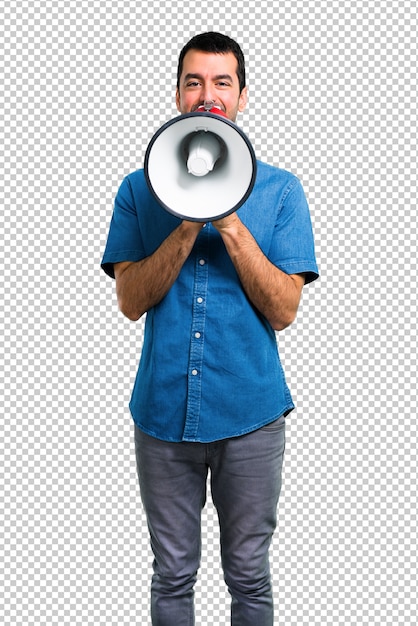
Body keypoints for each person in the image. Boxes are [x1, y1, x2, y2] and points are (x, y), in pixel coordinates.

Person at [101, 31, 318, 626]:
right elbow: (130, 301)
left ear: (242, 95)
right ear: (177, 94)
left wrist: (229, 222)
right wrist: (185, 221)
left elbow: (285, 310)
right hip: (162, 413)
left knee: (248, 573)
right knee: (172, 574)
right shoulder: (138, 188)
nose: (208, 94)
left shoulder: (281, 191)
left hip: (251, 414)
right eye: (194, 81)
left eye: (222, 82)